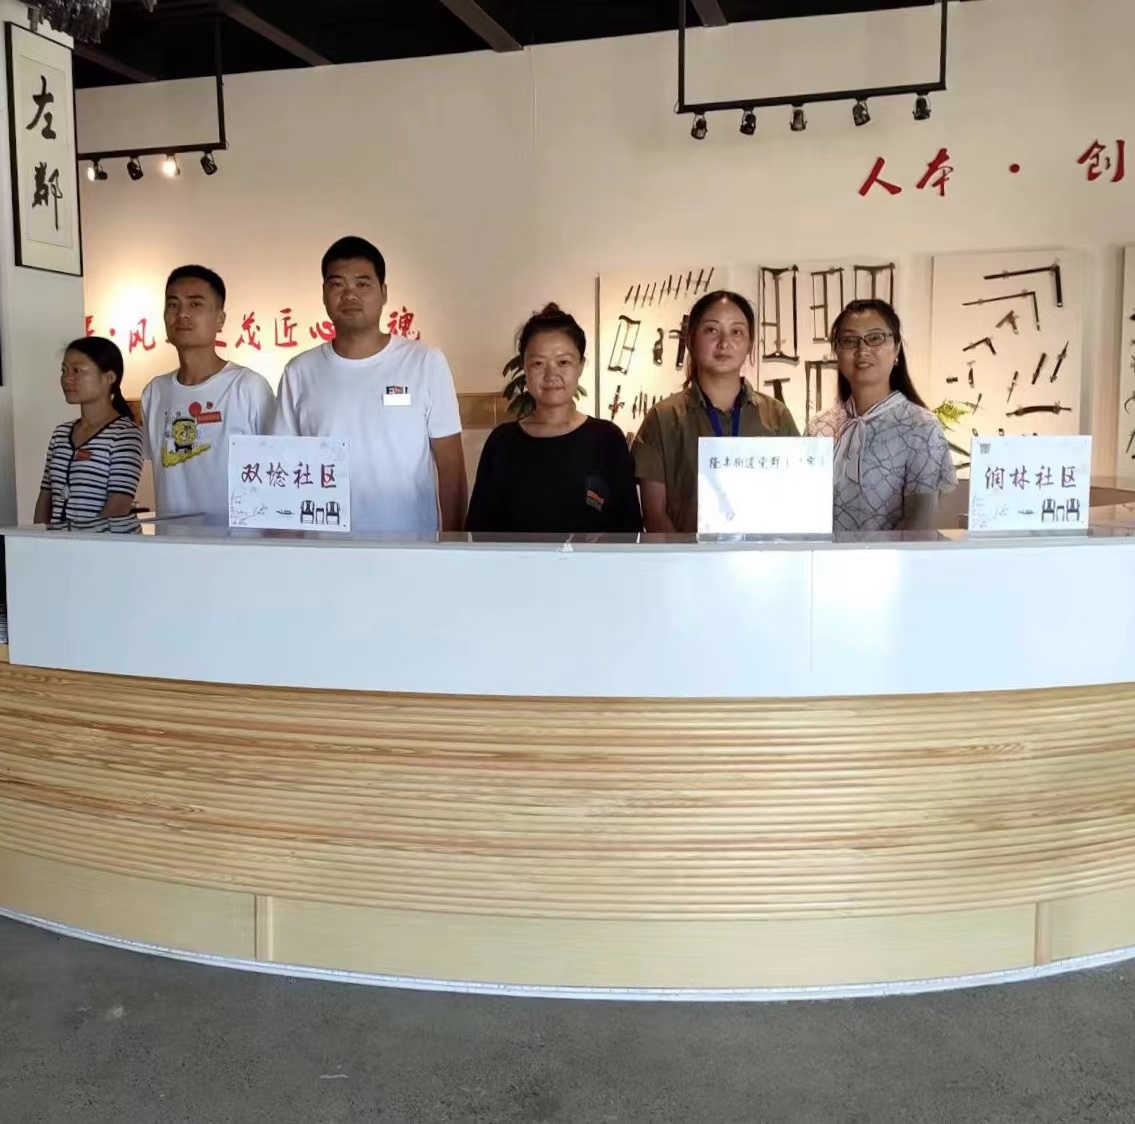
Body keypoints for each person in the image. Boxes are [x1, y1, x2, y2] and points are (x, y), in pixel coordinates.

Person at [275, 236, 466, 533]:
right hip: (324, 547)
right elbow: (284, 466)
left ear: (384, 292)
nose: (349, 294)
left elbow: (451, 466)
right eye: (337, 284)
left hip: (409, 547)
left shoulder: (425, 362)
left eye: (362, 284)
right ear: (324, 294)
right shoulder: (299, 372)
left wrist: (453, 544)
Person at [632, 289, 799, 533]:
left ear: (750, 344)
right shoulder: (662, 418)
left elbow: (795, 498)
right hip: (685, 555)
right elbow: (655, 513)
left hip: (762, 555)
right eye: (711, 330)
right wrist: (687, 555)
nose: (724, 343)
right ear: (690, 340)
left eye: (737, 332)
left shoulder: (777, 416)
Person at [466, 304, 641, 534]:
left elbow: (629, 529)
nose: (551, 374)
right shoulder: (502, 443)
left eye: (563, 362)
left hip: (592, 559)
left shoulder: (607, 439)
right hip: (517, 559)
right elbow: (479, 531)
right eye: (538, 363)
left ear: (581, 366)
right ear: (525, 369)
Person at [806, 299, 955, 532]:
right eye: (849, 341)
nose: (862, 350)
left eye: (875, 338)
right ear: (837, 351)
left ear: (896, 348)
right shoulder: (818, 427)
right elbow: (805, 508)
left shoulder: (921, 427)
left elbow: (919, 524)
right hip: (821, 555)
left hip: (895, 555)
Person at [141, 265, 275, 521]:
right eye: (173, 305)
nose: (182, 314)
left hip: (236, 540)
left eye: (195, 304)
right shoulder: (155, 392)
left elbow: (276, 468)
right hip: (171, 541)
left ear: (220, 319)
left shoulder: (248, 387)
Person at [35, 337, 143, 530]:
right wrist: (39, 538)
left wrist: (84, 543)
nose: (67, 379)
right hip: (58, 544)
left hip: (102, 545)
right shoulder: (61, 434)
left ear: (109, 377)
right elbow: (46, 495)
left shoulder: (125, 434)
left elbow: (118, 504)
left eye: (77, 371)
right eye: (64, 370)